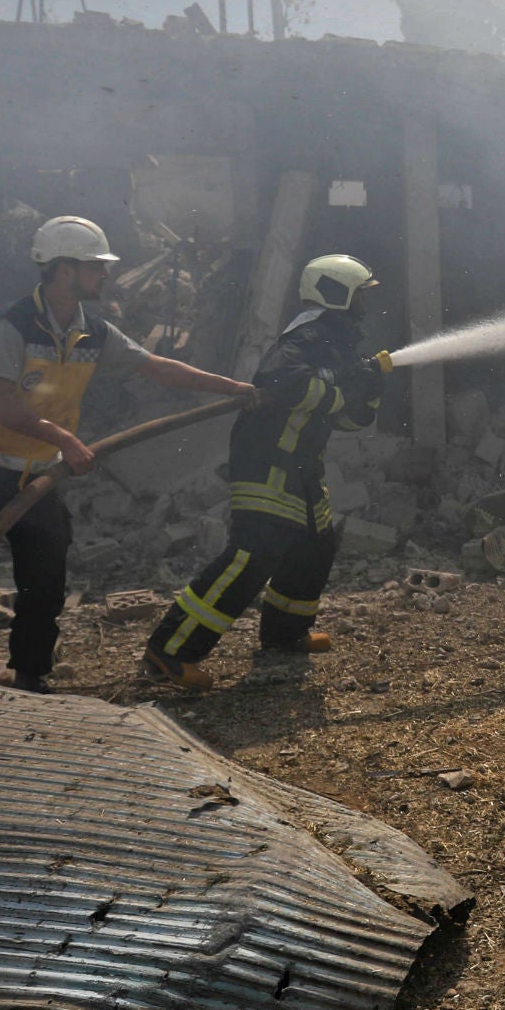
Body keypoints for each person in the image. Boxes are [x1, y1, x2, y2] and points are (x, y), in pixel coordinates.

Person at [0, 215, 256, 692]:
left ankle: (31, 678)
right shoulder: (9, 325)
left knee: (45, 575)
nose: (105, 274)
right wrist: (63, 439)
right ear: (64, 270)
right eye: (96, 266)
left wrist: (233, 389)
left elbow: (158, 366)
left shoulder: (93, 332)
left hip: (33, 472)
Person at [144, 254, 388, 687]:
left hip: (302, 464)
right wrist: (344, 390)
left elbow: (349, 420)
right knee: (252, 555)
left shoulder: (339, 346)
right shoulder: (302, 340)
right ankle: (171, 650)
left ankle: (284, 634)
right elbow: (286, 384)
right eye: (360, 296)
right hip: (268, 460)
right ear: (338, 295)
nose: (364, 306)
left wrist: (367, 392)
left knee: (314, 546)